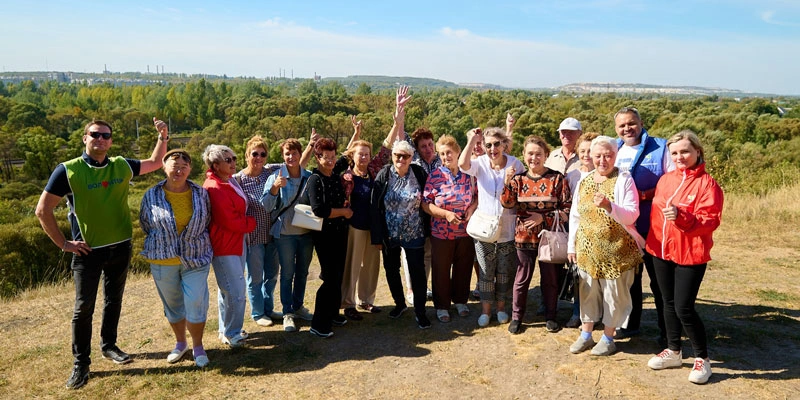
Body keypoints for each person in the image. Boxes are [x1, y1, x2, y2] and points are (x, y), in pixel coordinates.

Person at [35, 118, 169, 389]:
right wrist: (64, 244)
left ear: (111, 140)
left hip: (121, 246)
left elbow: (155, 163)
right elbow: (42, 210)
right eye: (95, 135)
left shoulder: (121, 165)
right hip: (88, 251)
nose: (101, 139)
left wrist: (163, 137)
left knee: (113, 300)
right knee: (83, 308)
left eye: (106, 136)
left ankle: (109, 346)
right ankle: (81, 364)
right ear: (85, 138)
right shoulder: (67, 170)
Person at [644, 130, 723, 384]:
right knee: (666, 302)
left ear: (697, 152)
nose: (680, 156)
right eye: (675, 152)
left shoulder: (707, 184)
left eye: (685, 151)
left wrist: (682, 217)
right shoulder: (666, 179)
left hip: (690, 254)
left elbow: (709, 221)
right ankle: (673, 350)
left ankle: (702, 359)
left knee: (684, 307)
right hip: (660, 250)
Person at [567, 136, 644, 356]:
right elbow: (575, 215)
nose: (603, 160)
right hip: (587, 250)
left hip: (617, 251)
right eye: (598, 155)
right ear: (591, 157)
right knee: (587, 292)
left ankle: (609, 337)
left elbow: (632, 215)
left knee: (614, 295)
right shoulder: (585, 180)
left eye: (608, 155)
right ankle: (586, 335)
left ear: (615, 155)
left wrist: (610, 206)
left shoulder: (624, 179)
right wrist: (571, 246)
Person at [139, 149, 212, 368]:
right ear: (164, 166)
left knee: (196, 301)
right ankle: (180, 343)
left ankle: (198, 346)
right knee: (173, 305)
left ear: (190, 169)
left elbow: (207, 219)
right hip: (163, 259)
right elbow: (145, 223)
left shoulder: (201, 194)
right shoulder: (151, 195)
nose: (179, 169)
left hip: (196, 258)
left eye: (184, 165)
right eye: (174, 164)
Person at [234, 135, 314, 328]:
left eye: (262, 154)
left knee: (279, 275)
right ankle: (266, 312)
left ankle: (281, 308)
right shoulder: (250, 178)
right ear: (247, 155)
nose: (259, 157)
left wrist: (311, 145)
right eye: (255, 154)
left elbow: (299, 167)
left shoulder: (305, 175)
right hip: (266, 234)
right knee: (268, 276)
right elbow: (266, 205)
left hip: (288, 234)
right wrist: (275, 189)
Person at [613, 107, 674, 342]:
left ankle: (668, 333)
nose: (627, 129)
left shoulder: (660, 148)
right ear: (616, 129)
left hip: (653, 228)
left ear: (641, 123)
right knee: (630, 281)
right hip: (624, 229)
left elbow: (672, 183)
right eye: (622, 125)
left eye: (631, 123)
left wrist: (646, 195)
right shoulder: (614, 149)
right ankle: (630, 324)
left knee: (659, 283)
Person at [501, 135, 571, 334]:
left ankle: (551, 316)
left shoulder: (557, 178)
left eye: (538, 154)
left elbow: (567, 210)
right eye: (530, 153)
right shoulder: (518, 179)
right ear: (523, 155)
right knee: (522, 278)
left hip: (550, 237)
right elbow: (506, 203)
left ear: (546, 155)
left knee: (550, 279)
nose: (534, 158)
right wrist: (507, 182)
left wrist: (544, 218)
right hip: (524, 237)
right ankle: (516, 317)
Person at [459, 127, 524, 327]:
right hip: (484, 229)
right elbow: (462, 164)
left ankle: (502, 308)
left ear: (505, 144)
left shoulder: (516, 164)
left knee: (504, 272)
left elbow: (519, 197)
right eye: (488, 145)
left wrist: (509, 182)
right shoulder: (480, 164)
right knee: (486, 272)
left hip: (507, 228)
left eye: (497, 144)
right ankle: (486, 311)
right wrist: (471, 140)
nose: (493, 149)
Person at [370, 140, 432, 329]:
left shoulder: (419, 173)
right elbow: (375, 206)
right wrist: (377, 237)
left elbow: (429, 197)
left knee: (418, 272)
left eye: (405, 156)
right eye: (397, 155)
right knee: (391, 269)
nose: (401, 159)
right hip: (390, 234)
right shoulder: (384, 174)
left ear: (411, 158)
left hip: (415, 232)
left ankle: (420, 312)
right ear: (392, 156)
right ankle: (399, 304)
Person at [260, 138, 315, 332]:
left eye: (294, 153)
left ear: (300, 154)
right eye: (287, 154)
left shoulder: (309, 177)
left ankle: (298, 307)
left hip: (306, 233)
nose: (291, 157)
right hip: (284, 234)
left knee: (302, 273)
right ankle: (287, 313)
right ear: (283, 157)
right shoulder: (276, 177)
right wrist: (275, 188)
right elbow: (265, 206)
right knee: (287, 274)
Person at [203, 145, 255, 347]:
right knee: (235, 290)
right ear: (215, 165)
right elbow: (229, 220)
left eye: (233, 158)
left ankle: (226, 329)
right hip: (225, 244)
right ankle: (233, 333)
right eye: (228, 160)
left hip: (236, 241)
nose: (233, 162)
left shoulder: (229, 180)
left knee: (227, 289)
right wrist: (253, 223)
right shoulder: (215, 187)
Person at [422, 135, 475, 323]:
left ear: (458, 152)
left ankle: (461, 301)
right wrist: (445, 214)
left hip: (465, 232)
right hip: (441, 233)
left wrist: (471, 209)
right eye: (442, 154)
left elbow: (476, 196)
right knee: (441, 271)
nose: (446, 157)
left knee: (463, 267)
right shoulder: (435, 176)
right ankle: (442, 306)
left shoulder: (469, 174)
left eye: (449, 153)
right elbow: (426, 204)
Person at [308, 137, 353, 337]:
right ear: (317, 158)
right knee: (330, 278)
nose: (331, 161)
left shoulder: (334, 172)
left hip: (340, 233)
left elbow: (347, 154)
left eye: (332, 157)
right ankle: (318, 323)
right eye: (326, 158)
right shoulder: (315, 179)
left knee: (337, 276)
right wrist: (343, 212)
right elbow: (319, 210)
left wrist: (356, 132)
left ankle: (333, 313)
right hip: (325, 236)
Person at [339, 116, 384, 320]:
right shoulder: (347, 176)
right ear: (353, 156)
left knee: (371, 266)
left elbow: (387, 150)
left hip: (373, 227)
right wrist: (355, 135)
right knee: (353, 265)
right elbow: (340, 158)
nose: (364, 157)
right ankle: (348, 304)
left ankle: (366, 300)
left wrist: (397, 121)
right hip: (354, 227)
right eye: (360, 154)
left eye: (366, 154)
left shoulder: (374, 173)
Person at [564, 131, 600, 329]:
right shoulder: (573, 176)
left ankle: (599, 316)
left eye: (591, 150)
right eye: (583, 150)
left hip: (601, 235)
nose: (586, 155)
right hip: (579, 233)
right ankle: (578, 313)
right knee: (579, 278)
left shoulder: (608, 175)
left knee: (600, 279)